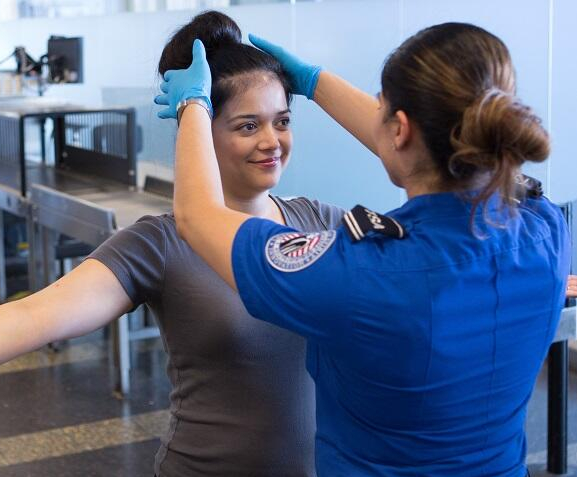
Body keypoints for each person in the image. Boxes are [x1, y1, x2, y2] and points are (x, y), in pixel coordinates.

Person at [0, 12, 342, 477]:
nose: (273, 141)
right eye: (248, 125)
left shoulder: (318, 223)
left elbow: (425, 216)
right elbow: (33, 317)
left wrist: (322, 83)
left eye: (283, 121)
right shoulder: (160, 244)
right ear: (198, 126)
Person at [156, 22, 573, 476]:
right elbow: (472, 169)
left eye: (382, 109)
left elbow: (198, 217)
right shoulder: (544, 230)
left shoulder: (360, 273)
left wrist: (193, 105)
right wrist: (315, 82)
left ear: (401, 129)